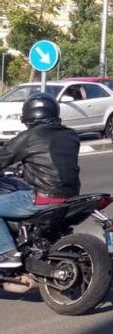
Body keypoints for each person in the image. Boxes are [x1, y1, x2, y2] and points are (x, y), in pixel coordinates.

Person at [0, 93, 81, 268]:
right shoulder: (71, 135)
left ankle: (7, 253)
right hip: (70, 196)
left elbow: (3, 157)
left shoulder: (29, 137)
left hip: (43, 196)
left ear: (29, 114)